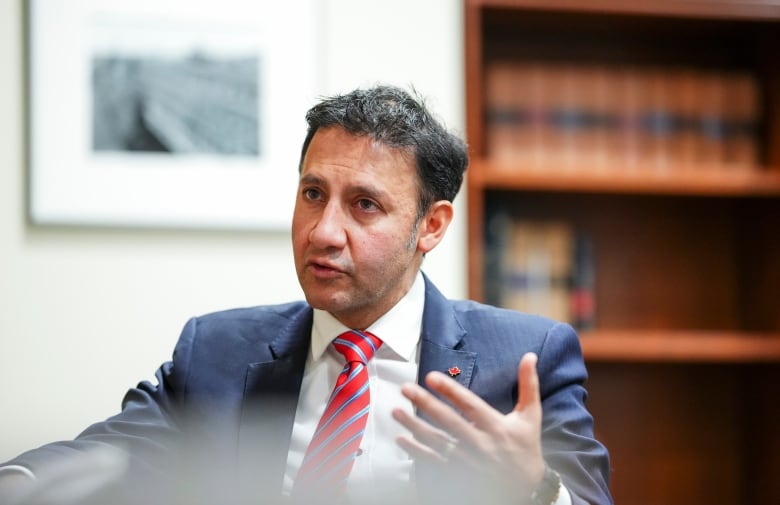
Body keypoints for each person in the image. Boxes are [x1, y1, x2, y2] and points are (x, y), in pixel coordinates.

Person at [0, 84, 612, 505]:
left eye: (364, 206)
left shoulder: (525, 360)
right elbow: (109, 456)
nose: (322, 233)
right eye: (312, 194)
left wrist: (533, 487)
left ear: (431, 226)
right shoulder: (215, 351)